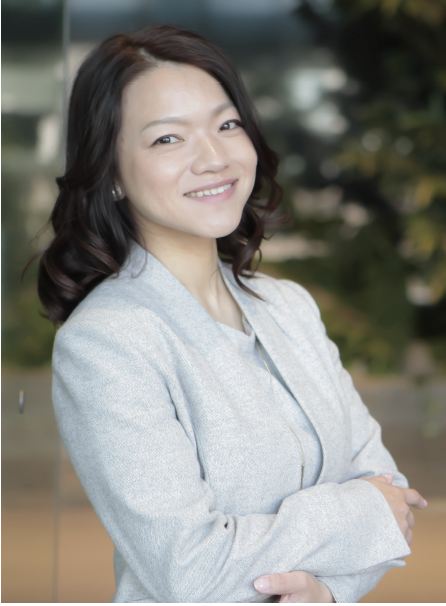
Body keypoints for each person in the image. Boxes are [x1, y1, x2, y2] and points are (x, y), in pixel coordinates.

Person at [36, 25, 427, 603]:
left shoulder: (288, 307)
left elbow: (394, 501)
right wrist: (360, 512)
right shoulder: (105, 342)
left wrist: (327, 593)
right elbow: (190, 570)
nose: (214, 158)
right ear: (111, 173)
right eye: (168, 138)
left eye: (227, 125)